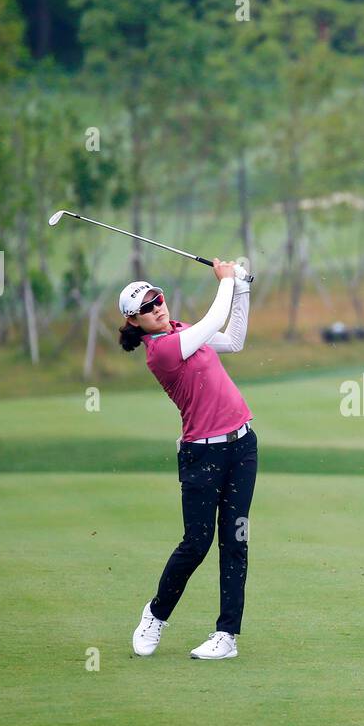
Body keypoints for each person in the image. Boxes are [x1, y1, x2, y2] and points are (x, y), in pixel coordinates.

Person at [118, 259, 256, 660]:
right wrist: (227, 281)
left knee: (236, 540)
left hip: (243, 445)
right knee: (196, 543)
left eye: (157, 299)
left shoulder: (181, 332)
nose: (157, 307)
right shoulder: (161, 351)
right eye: (146, 307)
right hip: (203, 453)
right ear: (134, 322)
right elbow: (214, 321)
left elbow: (233, 340)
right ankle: (156, 615)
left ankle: (226, 635)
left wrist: (242, 289)